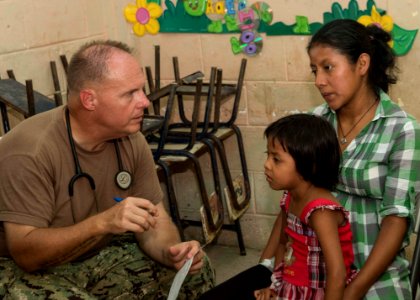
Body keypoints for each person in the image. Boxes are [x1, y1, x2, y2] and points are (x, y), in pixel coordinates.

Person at [0, 40, 214, 298]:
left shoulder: (130, 138)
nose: (145, 102)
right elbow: (26, 254)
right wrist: (103, 223)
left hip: (93, 251)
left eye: (142, 90)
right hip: (17, 266)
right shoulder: (30, 151)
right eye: (130, 93)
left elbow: (155, 223)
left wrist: (173, 253)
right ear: (90, 100)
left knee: (195, 272)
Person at [308, 19, 420, 299]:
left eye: (328, 67)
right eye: (314, 70)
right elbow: (294, 200)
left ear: (362, 64)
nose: (319, 81)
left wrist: (354, 289)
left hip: (376, 274)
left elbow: (397, 218)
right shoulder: (316, 122)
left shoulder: (402, 129)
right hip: (315, 265)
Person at [201, 113, 358, 299]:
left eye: (276, 159)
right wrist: (275, 286)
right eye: (268, 155)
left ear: (309, 165)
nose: (266, 165)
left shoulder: (321, 212)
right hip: (290, 286)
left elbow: (337, 273)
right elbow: (283, 243)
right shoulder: (290, 198)